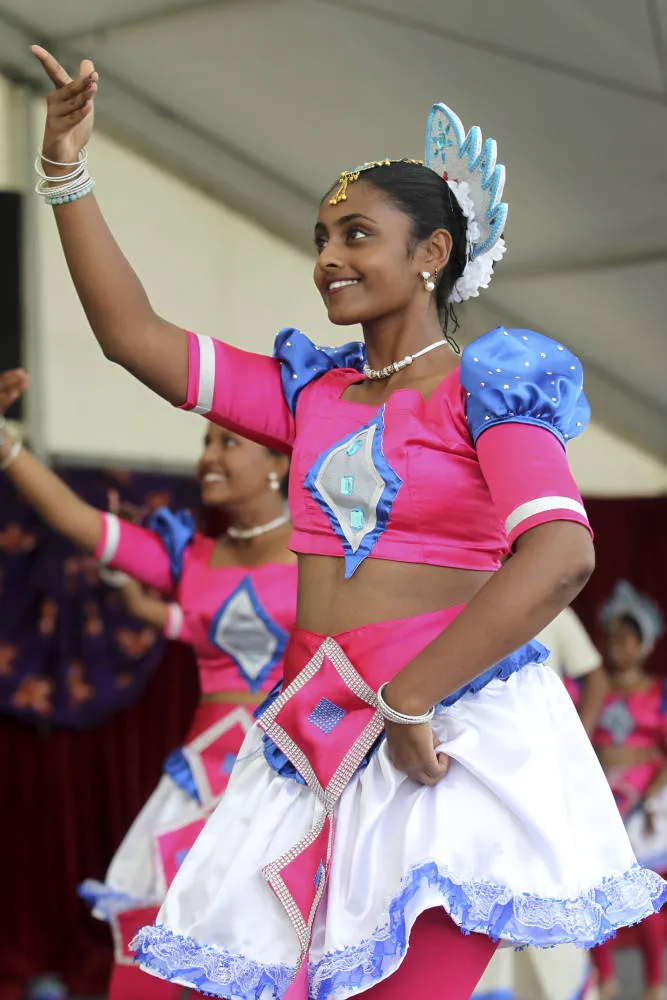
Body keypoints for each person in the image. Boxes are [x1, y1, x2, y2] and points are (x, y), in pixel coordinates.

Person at [27, 45, 666, 1000]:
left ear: (432, 253)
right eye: (321, 236)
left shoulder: (488, 383)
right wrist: (65, 171)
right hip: (308, 734)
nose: (327, 257)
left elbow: (562, 554)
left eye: (356, 234)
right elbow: (136, 341)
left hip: (447, 736)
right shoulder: (309, 390)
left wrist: (411, 699)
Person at [0, 369, 298, 1000]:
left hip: (286, 773)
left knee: (269, 936)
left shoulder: (321, 558)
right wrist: (6, 445)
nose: (208, 458)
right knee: (154, 925)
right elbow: (73, 518)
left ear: (277, 461)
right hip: (200, 775)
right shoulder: (186, 558)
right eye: (206, 443)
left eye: (227, 444)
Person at [474, 606, 606, 1000]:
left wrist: (575, 740)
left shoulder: (553, 606)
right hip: (480, 777)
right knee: (488, 897)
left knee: (549, 886)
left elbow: (594, 678)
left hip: (543, 777)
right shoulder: (452, 596)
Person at [591, 581, 666, 1000]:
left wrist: (652, 797)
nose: (616, 645)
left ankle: (655, 984)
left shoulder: (659, 693)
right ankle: (605, 981)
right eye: (610, 637)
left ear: (644, 644)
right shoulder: (591, 689)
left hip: (645, 805)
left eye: (625, 637)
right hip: (600, 802)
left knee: (644, 895)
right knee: (599, 892)